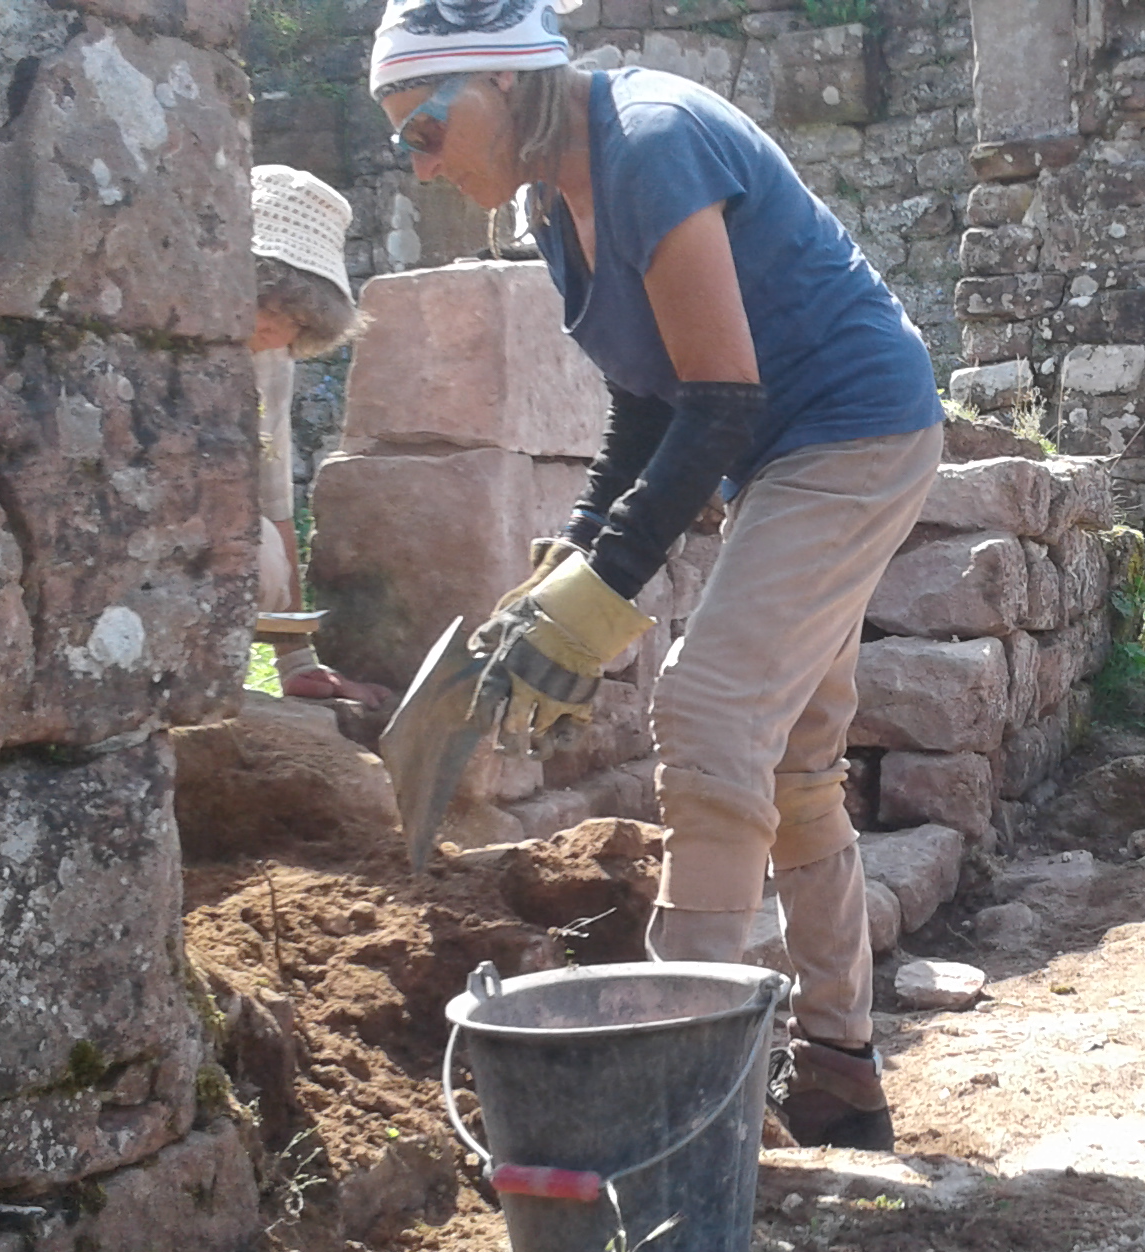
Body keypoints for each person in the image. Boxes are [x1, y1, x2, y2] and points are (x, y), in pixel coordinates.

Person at [370, 0, 945, 1149]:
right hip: (778, 458)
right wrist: (579, 556)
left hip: (852, 431)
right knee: (791, 765)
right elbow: (646, 401)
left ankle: (685, 1103)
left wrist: (605, 592)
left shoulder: (651, 140)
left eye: (424, 126)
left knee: (709, 710)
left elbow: (720, 398)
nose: (419, 162)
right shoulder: (554, 204)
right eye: (402, 143)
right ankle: (839, 1072)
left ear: (503, 80)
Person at [250, 164, 393, 708]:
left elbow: (273, 504)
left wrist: (296, 663)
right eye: (271, 307)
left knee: (260, 554)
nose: (280, 331)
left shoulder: (270, 358)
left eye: (298, 320)